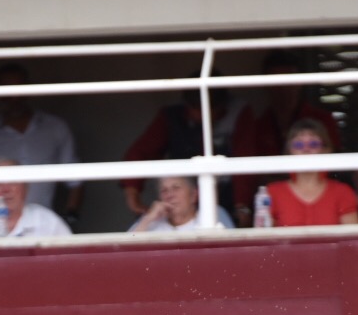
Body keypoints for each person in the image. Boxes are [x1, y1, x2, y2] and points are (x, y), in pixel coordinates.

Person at [230, 50, 342, 226]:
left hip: (320, 194)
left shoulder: (322, 120)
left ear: (299, 83)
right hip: (271, 199)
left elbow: (336, 165)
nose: (283, 89)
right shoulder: (258, 125)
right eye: (276, 82)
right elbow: (248, 173)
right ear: (266, 86)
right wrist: (242, 207)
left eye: (289, 81)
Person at [0, 64, 82, 223]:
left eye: (19, 89)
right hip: (1, 225)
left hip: (46, 224)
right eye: (7, 91)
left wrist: (71, 215)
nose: (14, 98)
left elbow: (75, 178)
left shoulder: (55, 128)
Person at [120, 88, 239, 217]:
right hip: (183, 201)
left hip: (227, 195)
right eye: (195, 108)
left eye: (207, 108)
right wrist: (132, 193)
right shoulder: (172, 116)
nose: (201, 114)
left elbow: (244, 161)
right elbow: (141, 152)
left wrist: (242, 206)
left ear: (220, 107)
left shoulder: (238, 113)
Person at [260, 120, 358, 227]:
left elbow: (352, 240)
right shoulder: (272, 192)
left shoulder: (342, 192)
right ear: (289, 151)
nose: (306, 149)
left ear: (325, 150)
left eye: (313, 144)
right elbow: (265, 237)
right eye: (299, 144)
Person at [127, 176, 234, 233]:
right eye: (164, 190)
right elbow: (123, 249)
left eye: (176, 188)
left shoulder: (212, 214)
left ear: (194, 195)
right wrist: (148, 218)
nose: (169, 195)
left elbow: (232, 252)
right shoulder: (151, 221)